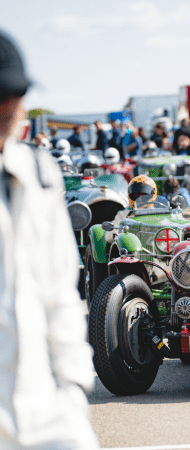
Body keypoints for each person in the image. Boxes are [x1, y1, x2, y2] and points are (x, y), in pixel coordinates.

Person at [0, 30, 99, 449]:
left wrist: (74, 386)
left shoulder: (40, 172)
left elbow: (61, 287)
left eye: (15, 95)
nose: (9, 108)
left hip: (46, 405)